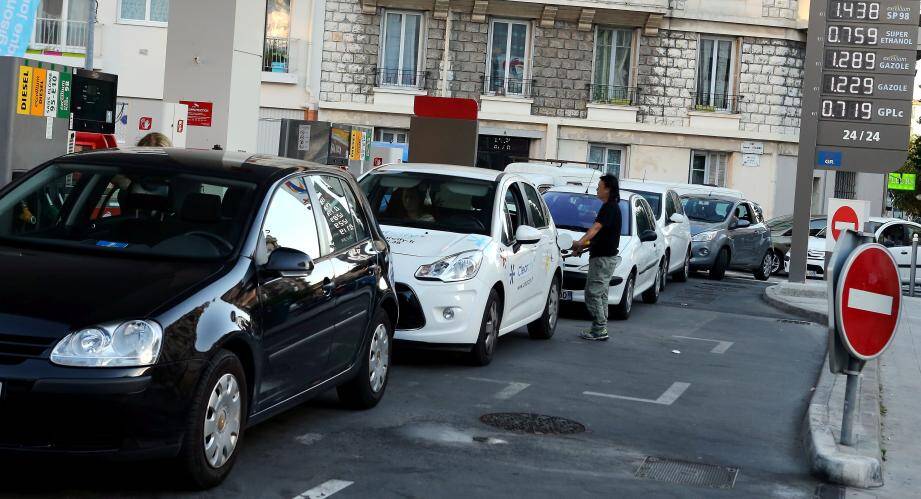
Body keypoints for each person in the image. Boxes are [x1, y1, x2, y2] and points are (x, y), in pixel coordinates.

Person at [570, 174, 623, 341]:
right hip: (603, 257)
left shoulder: (609, 208)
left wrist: (579, 242)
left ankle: (600, 329)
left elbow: (595, 229)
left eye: (599, 186)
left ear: (608, 189)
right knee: (601, 294)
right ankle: (598, 328)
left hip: (603, 259)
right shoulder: (610, 207)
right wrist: (584, 247)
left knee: (592, 293)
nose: (597, 189)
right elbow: (601, 237)